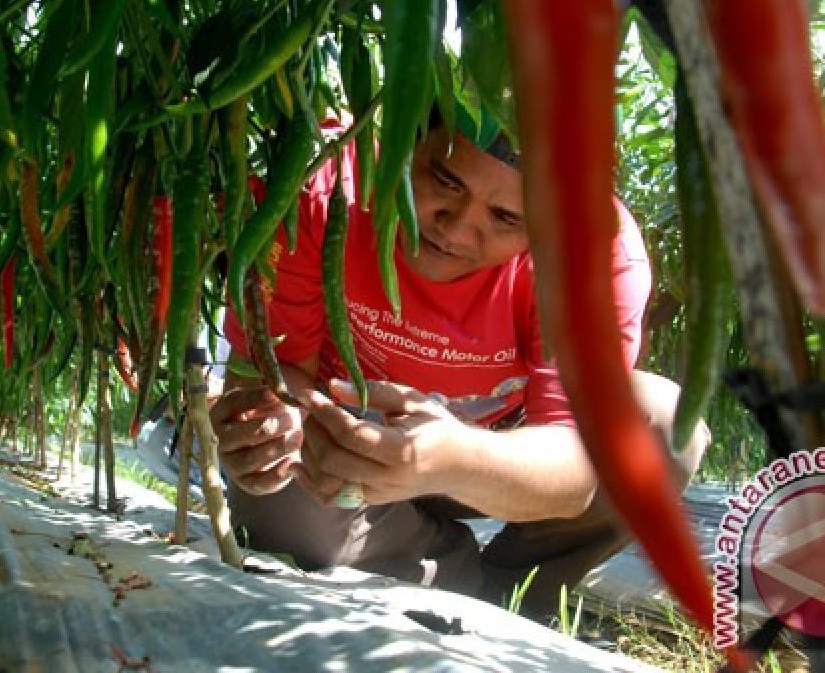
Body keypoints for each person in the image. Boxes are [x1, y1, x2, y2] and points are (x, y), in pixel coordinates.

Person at [211, 108, 710, 619]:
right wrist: (279, 422)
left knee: (663, 425)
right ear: (403, 146)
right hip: (344, 446)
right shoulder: (324, 190)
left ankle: (510, 592)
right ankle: (452, 579)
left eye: (508, 219)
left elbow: (574, 471)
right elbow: (275, 371)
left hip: (493, 458)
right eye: (444, 180)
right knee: (273, 495)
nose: (457, 230)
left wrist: (448, 460)